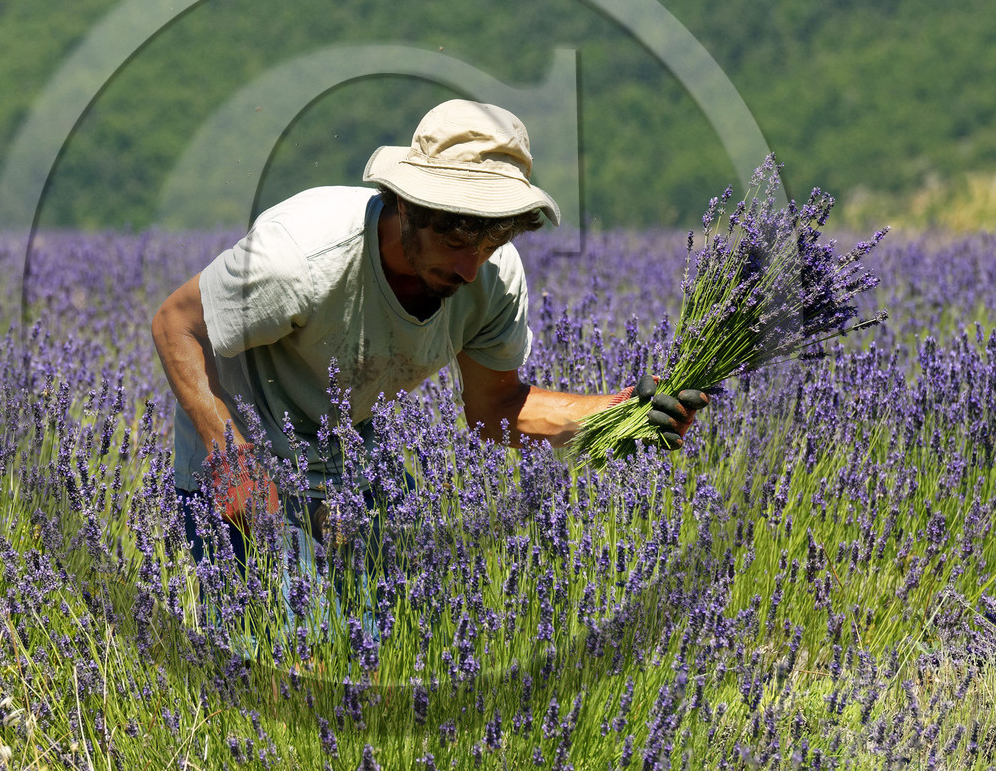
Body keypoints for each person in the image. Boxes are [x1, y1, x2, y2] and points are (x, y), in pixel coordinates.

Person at [151, 99, 709, 568]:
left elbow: (497, 410)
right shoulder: (298, 258)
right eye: (456, 243)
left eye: (489, 244)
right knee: (283, 665)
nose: (471, 269)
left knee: (374, 646)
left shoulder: (492, 275)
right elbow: (175, 325)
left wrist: (613, 417)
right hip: (242, 450)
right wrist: (233, 461)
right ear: (408, 209)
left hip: (349, 453)